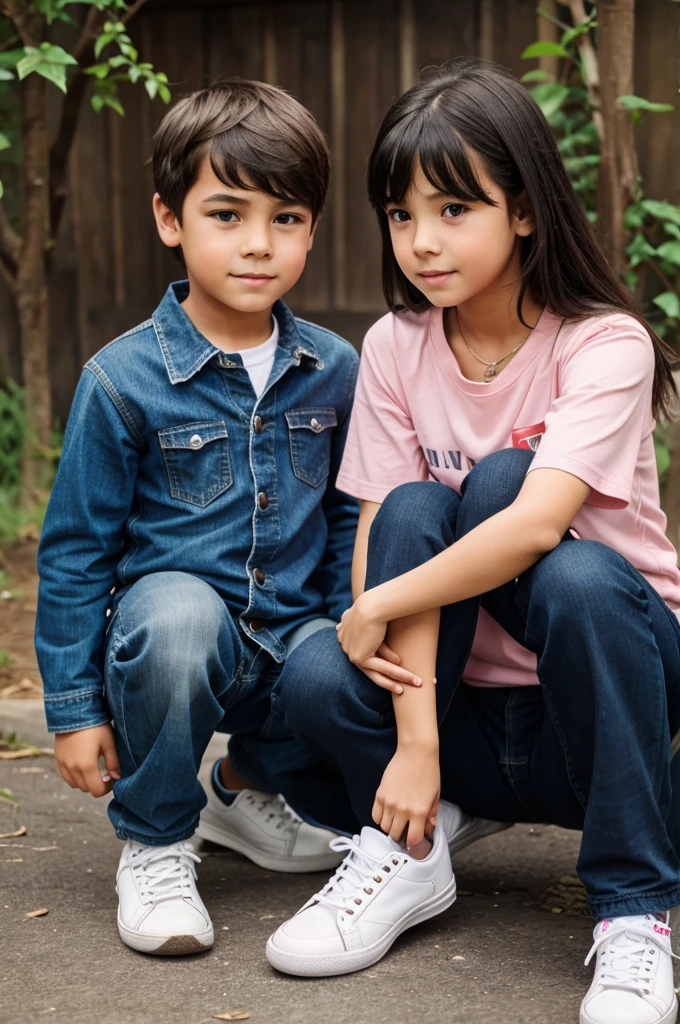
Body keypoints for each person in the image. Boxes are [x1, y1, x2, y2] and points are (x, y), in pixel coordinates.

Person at [265, 61, 680, 1024]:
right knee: (319, 670)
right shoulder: (397, 344)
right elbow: (380, 520)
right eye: (401, 215)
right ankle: (411, 846)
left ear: (526, 210)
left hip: (606, 694)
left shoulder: (604, 343)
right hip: (461, 716)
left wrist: (372, 604)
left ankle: (634, 911)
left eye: (455, 209)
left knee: (521, 508)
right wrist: (415, 740)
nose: (421, 242)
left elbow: (537, 524)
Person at [35, 78, 370, 957]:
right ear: (168, 219)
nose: (259, 244)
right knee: (179, 615)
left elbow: (344, 522)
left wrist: (347, 632)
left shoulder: (335, 369)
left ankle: (240, 785)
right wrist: (72, 711)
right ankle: (155, 841)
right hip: (174, 649)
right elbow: (75, 552)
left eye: (288, 218)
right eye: (227, 214)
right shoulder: (122, 379)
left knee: (340, 666)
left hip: (292, 643)